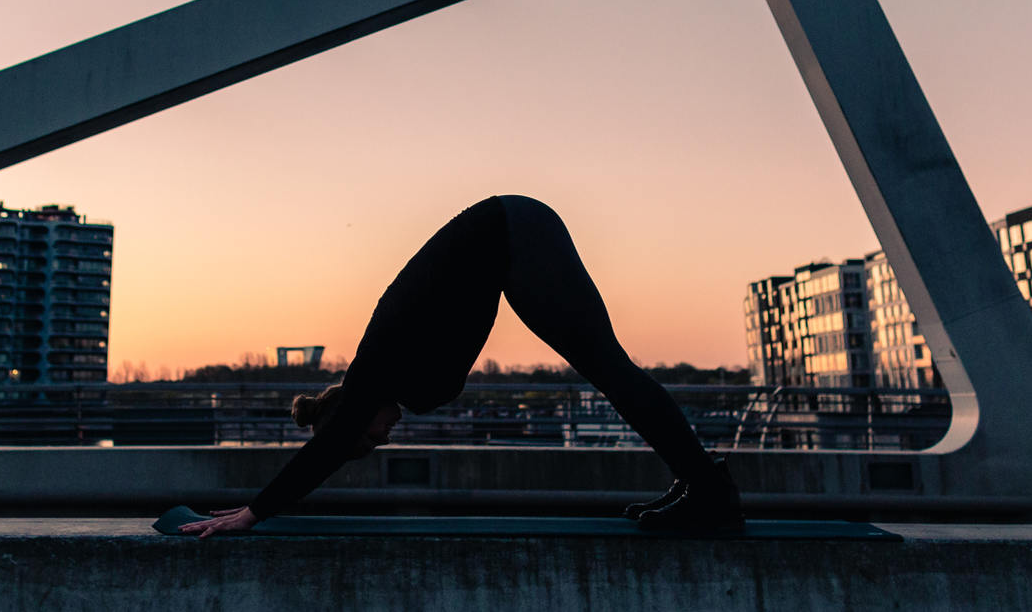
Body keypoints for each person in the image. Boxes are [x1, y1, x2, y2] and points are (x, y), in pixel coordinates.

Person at [178, 196, 740, 537]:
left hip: (516, 234)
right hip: (511, 241)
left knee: (609, 369)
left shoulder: (374, 365)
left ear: (350, 411)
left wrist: (255, 511)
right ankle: (697, 481)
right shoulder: (397, 379)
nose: (382, 440)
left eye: (367, 438)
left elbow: (327, 446)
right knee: (608, 369)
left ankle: (707, 490)